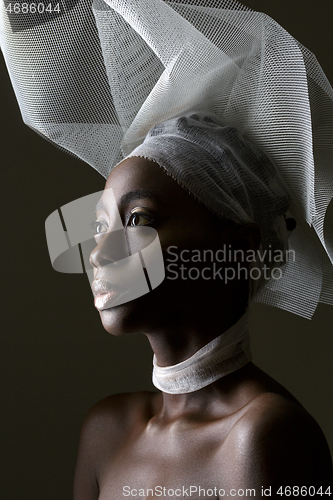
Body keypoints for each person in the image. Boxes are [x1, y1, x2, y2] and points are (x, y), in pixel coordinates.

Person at [73, 115, 332, 499]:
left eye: (138, 219)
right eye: (99, 228)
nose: (99, 254)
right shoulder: (105, 431)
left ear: (240, 248)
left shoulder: (265, 435)